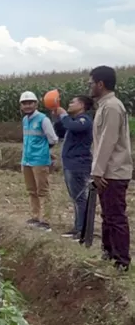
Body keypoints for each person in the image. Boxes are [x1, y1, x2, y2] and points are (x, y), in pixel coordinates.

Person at [89, 66, 133, 272]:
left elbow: (108, 141)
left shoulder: (113, 107)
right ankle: (108, 252)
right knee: (107, 215)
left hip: (113, 171)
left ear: (101, 84)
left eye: (91, 83)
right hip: (107, 171)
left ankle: (121, 260)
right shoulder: (105, 106)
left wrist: (97, 171)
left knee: (115, 217)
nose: (89, 87)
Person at [52, 95, 94, 239]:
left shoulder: (84, 121)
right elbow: (61, 132)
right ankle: (78, 227)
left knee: (80, 197)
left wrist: (63, 115)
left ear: (81, 105)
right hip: (70, 163)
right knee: (76, 197)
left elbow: (72, 127)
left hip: (79, 164)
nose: (69, 104)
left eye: (72, 102)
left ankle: (82, 230)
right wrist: (58, 119)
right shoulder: (73, 121)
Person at [19, 91, 59, 232]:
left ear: (36, 104)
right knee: (31, 191)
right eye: (24, 103)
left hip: (39, 161)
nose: (27, 106)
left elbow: (53, 139)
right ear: (21, 106)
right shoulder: (25, 120)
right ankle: (35, 217)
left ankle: (46, 221)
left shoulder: (43, 119)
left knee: (43, 191)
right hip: (27, 160)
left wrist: (44, 151)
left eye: (30, 103)